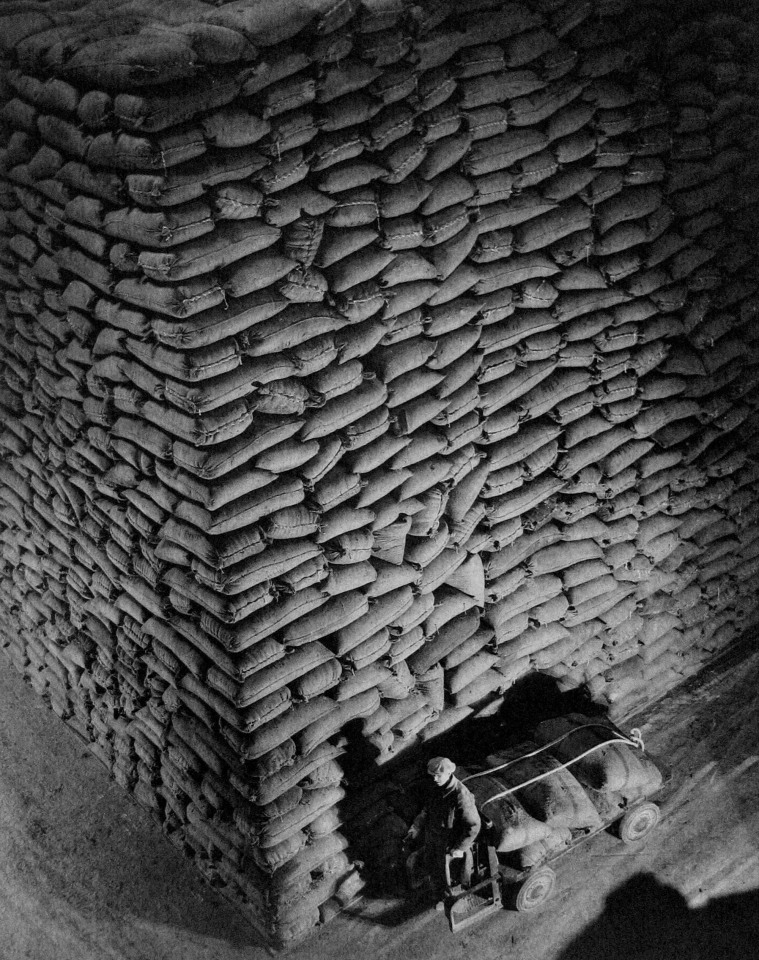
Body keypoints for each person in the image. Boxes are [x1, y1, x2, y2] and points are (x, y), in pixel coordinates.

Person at [405, 757, 481, 905]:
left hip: (449, 841)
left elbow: (473, 825)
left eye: (439, 775)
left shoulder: (461, 796)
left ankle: (449, 898)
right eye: (433, 775)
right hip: (432, 836)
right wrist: (416, 827)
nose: (435, 779)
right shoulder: (435, 787)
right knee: (428, 863)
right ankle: (433, 890)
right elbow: (426, 810)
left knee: (443, 873)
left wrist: (460, 848)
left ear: (449, 773)